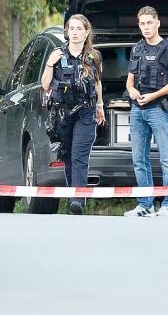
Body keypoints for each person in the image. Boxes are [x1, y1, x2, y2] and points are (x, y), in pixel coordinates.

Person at [124, 6, 168, 218]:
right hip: (137, 110)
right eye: (142, 23)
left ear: (158, 23)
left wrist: (154, 95)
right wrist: (132, 91)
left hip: (158, 108)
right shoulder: (136, 49)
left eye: (150, 22)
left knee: (167, 159)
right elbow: (130, 79)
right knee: (139, 159)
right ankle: (145, 204)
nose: (146, 27)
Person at [41, 14, 105, 215]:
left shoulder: (93, 56)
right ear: (66, 31)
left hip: (86, 112)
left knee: (79, 155)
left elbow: (97, 83)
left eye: (79, 29)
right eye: (72, 28)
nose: (75, 33)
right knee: (67, 155)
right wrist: (50, 64)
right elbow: (45, 85)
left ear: (87, 32)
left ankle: (78, 199)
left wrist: (100, 106)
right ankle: (74, 193)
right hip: (63, 114)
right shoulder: (57, 54)